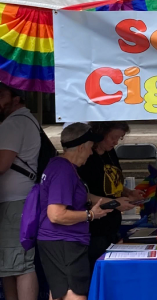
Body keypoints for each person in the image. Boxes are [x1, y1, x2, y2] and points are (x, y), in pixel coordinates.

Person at [38, 123, 114, 300]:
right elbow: (56, 214)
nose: (91, 152)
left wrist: (113, 202)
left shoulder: (60, 166)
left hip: (58, 241)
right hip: (64, 241)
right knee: (74, 294)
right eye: (90, 147)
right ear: (81, 147)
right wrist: (91, 215)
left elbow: (78, 195)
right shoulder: (63, 171)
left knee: (59, 293)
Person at [0, 82, 42, 300]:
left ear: (17, 98)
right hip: (16, 202)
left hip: (14, 204)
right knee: (9, 265)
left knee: (20, 264)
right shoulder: (25, 121)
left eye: (0, 95)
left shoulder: (14, 125)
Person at [79, 122, 140, 263]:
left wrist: (128, 193)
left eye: (119, 138)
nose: (116, 142)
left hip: (112, 224)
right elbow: (81, 193)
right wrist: (114, 203)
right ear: (101, 133)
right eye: (113, 137)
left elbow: (113, 182)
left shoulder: (110, 152)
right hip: (94, 228)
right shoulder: (87, 158)